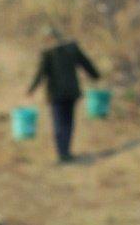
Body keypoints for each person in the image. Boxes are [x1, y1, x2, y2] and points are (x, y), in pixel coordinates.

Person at [28, 27, 101, 162]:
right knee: (68, 122)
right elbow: (86, 63)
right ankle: (66, 152)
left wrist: (31, 89)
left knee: (59, 123)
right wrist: (96, 76)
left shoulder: (48, 53)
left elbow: (40, 74)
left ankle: (62, 153)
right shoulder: (71, 49)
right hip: (71, 92)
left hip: (56, 94)